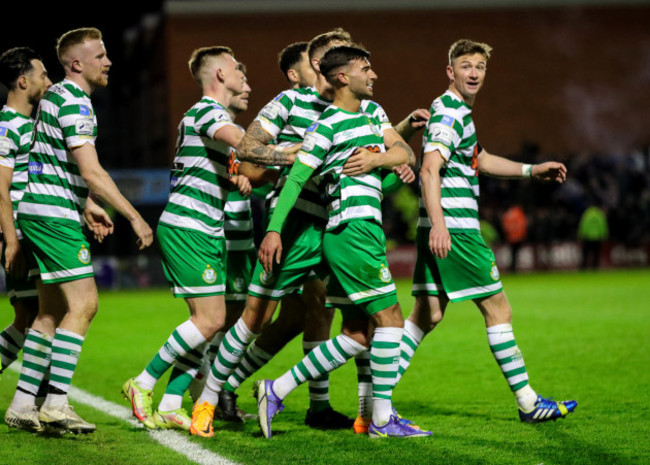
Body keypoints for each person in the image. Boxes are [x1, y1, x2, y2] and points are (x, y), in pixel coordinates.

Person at [255, 45, 432, 440]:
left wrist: (379, 164)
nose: (374, 75)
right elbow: (298, 179)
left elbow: (403, 152)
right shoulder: (327, 126)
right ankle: (382, 420)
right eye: (365, 69)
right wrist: (273, 229)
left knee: (358, 334)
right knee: (391, 321)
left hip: (362, 228)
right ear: (342, 78)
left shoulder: (370, 117)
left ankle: (277, 389)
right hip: (350, 232)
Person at [397, 38, 577, 424]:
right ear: (451, 71)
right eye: (465, 65)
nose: (474, 72)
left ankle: (374, 405)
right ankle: (528, 402)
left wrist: (531, 170)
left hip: (439, 226)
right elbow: (429, 169)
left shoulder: (455, 111)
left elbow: (480, 158)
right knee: (499, 309)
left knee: (427, 315)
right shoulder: (449, 113)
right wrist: (442, 227)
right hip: (456, 229)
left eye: (479, 66)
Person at [6, 27, 153, 435]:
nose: (108, 62)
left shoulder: (54, 98)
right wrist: (133, 215)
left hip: (40, 209)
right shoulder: (73, 101)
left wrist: (86, 203)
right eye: (100, 56)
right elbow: (91, 170)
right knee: (85, 305)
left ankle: (22, 405)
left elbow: (54, 163)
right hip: (52, 216)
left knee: (50, 313)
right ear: (77, 64)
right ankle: (55, 403)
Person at [121, 46, 252, 431]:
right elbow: (246, 145)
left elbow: (227, 163)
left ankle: (173, 402)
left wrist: (236, 177)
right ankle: (142, 383)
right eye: (235, 67)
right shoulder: (208, 111)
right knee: (211, 319)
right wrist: (299, 151)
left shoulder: (210, 118)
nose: (243, 73)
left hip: (205, 228)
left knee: (206, 322)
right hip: (189, 227)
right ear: (219, 76)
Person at [0, 47, 51, 378]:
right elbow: (0, 186)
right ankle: (43, 398)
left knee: (33, 316)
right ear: (23, 81)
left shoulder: (29, 125)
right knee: (41, 316)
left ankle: (42, 398)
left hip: (31, 232)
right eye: (43, 75)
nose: (49, 81)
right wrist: (12, 240)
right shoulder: (7, 126)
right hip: (19, 234)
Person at [577, 201, 608, 269]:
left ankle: (583, 268)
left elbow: (583, 225)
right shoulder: (599, 214)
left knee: (585, 254)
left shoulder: (587, 214)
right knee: (596, 255)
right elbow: (602, 225)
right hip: (597, 237)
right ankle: (595, 268)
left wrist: (581, 234)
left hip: (587, 237)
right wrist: (604, 235)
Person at [501, 204, 527, 272]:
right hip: (518, 237)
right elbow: (522, 225)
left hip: (511, 237)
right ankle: (514, 267)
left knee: (513, 253)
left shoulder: (508, 215)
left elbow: (505, 226)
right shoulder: (519, 214)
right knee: (515, 253)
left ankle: (513, 267)